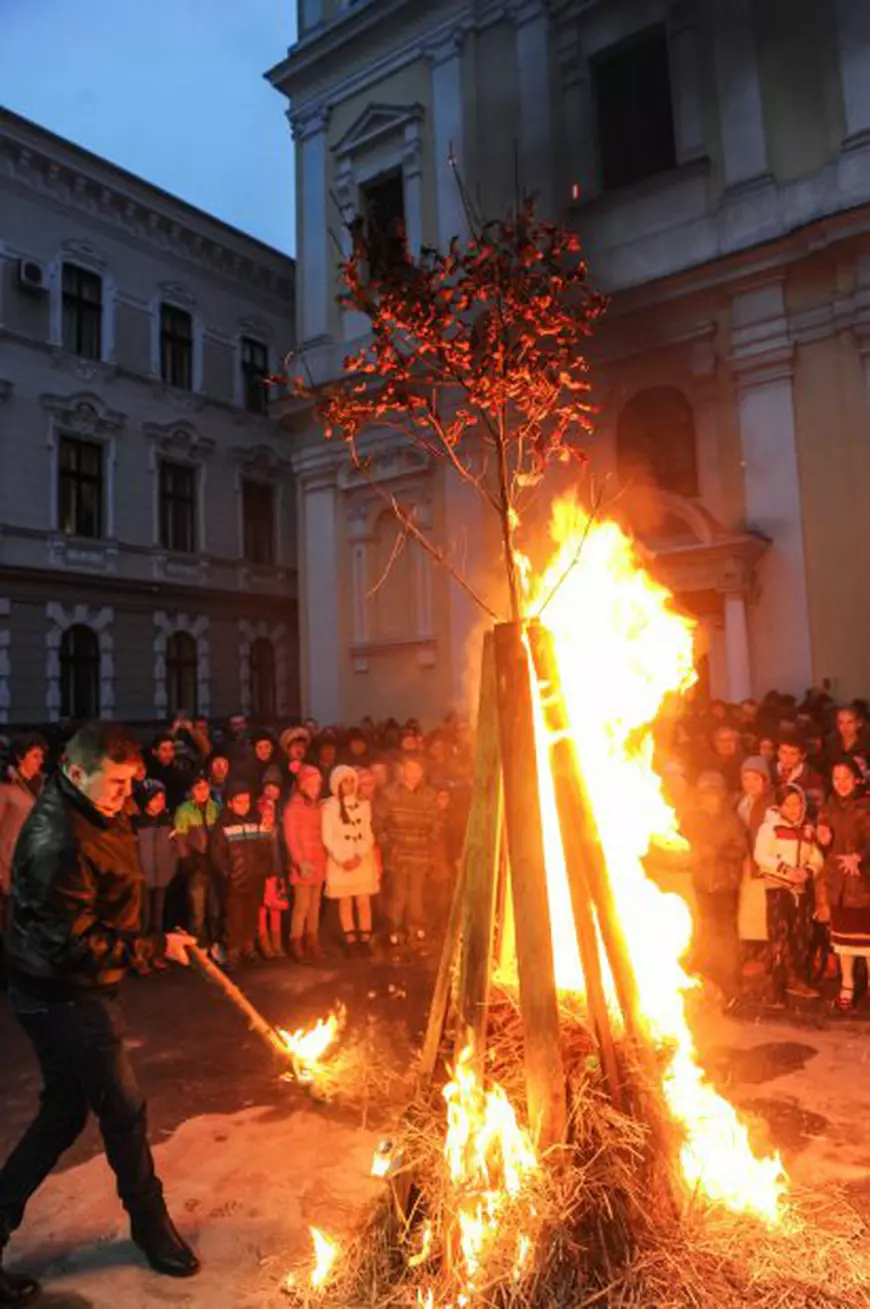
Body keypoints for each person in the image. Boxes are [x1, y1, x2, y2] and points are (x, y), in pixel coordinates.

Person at [0, 722, 198, 1305]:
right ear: (75, 771)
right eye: (115, 783)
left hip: (68, 983)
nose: (126, 795)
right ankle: (152, 1226)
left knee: (65, 1112)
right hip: (65, 991)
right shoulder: (56, 839)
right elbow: (73, 942)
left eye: (130, 783)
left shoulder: (92, 804)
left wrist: (149, 935)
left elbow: (104, 896)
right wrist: (152, 947)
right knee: (122, 1108)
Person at [754, 783, 825, 1004]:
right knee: (779, 937)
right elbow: (760, 855)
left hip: (800, 890)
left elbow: (817, 858)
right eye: (788, 805)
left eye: (798, 804)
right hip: (778, 888)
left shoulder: (807, 829)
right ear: (780, 806)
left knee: (800, 936)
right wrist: (786, 870)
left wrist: (807, 871)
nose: (794, 809)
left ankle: (796, 980)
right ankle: (774, 987)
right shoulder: (770, 828)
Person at [681, 772, 746, 1005]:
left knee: (725, 932)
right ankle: (706, 979)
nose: (709, 798)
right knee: (704, 929)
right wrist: (695, 852)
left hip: (725, 884)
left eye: (713, 794)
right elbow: (680, 842)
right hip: (701, 883)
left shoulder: (730, 820)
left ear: (721, 795)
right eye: (705, 794)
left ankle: (728, 982)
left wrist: (717, 852)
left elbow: (740, 849)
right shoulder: (692, 818)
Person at [816, 760, 870, 1011]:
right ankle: (847, 983)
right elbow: (823, 841)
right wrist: (822, 838)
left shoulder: (866, 806)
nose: (841, 783)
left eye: (846, 777)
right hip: (838, 885)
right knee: (843, 940)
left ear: (857, 778)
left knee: (867, 939)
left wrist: (859, 857)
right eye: (836, 778)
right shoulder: (828, 808)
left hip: (864, 884)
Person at [378, 756, 441, 947]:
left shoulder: (429, 795)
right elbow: (378, 823)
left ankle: (416, 932)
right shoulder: (390, 794)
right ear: (402, 770)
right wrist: (390, 844)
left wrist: (428, 841)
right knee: (397, 895)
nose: (413, 773)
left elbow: (436, 823)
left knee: (416, 896)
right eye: (409, 768)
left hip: (420, 854)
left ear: (422, 772)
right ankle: (394, 932)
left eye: (417, 769)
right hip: (398, 854)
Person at [209, 779, 273, 969]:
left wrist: (263, 870)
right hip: (234, 882)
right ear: (230, 803)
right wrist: (228, 874)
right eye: (239, 802)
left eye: (247, 801)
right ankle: (232, 952)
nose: (244, 806)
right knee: (233, 918)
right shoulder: (223, 825)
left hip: (254, 879)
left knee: (251, 915)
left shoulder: (256, 821)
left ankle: (248, 947)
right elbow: (217, 854)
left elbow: (265, 849)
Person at [322, 766, 378, 954]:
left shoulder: (363, 805)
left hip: (361, 859)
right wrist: (342, 859)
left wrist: (359, 855)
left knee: (363, 900)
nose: (349, 785)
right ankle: (351, 939)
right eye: (345, 781)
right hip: (341, 861)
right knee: (345, 901)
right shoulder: (329, 807)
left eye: (352, 780)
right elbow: (327, 837)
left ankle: (365, 939)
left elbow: (368, 834)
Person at [0, 736, 47, 942]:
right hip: (9, 864)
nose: (40, 761)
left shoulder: (41, 785)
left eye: (42, 756)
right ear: (20, 757)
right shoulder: (6, 786)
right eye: (35, 755)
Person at [283, 764, 327, 962]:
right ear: (302, 785)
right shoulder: (293, 808)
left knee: (315, 905)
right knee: (302, 905)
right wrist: (300, 861)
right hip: (304, 864)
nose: (315, 788)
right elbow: (291, 837)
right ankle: (296, 941)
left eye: (317, 784)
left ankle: (312, 940)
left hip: (318, 860)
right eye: (311, 784)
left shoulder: (318, 807)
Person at [735, 756, 775, 967]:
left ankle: (766, 952)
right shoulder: (740, 801)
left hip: (763, 863)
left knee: (763, 909)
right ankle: (751, 950)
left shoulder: (771, 803)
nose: (750, 783)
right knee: (747, 908)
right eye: (746, 778)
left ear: (765, 780)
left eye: (755, 778)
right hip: (744, 862)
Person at [132, 781, 177, 966]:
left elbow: (174, 848)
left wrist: (170, 868)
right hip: (143, 878)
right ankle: (140, 956)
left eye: (162, 798)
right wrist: (137, 873)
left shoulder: (167, 821)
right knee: (144, 918)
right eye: (155, 798)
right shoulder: (137, 823)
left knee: (158, 918)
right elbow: (132, 852)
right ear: (146, 800)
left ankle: (156, 954)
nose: (159, 802)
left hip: (161, 877)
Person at [173, 774, 221, 945]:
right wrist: (188, 862)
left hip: (214, 866)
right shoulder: (184, 810)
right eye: (198, 788)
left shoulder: (216, 808)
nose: (203, 792)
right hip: (196, 867)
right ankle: (198, 946)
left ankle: (215, 943)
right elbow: (181, 840)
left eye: (205, 788)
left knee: (215, 910)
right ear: (191, 790)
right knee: (197, 911)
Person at [776, 732, 825, 818]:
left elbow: (815, 812)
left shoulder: (812, 779)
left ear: (803, 756)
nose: (787, 758)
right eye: (783, 752)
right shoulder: (770, 772)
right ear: (778, 753)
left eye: (793, 754)